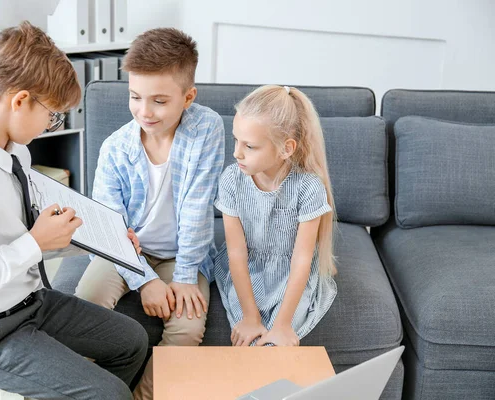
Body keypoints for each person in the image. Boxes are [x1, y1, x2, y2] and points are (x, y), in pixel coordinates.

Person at [0, 21, 147, 399]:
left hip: (30, 303)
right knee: (108, 394)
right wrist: (34, 245)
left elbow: (30, 231)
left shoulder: (14, 152)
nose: (50, 125)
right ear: (20, 100)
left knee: (131, 340)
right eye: (52, 115)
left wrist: (101, 240)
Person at [74, 27, 225, 399]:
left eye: (159, 101)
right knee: (87, 301)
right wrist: (144, 280)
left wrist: (186, 276)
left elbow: (196, 208)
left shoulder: (207, 129)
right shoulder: (115, 149)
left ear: (188, 97)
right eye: (135, 97)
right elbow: (109, 227)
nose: (145, 111)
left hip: (182, 255)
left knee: (188, 328)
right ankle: (91, 392)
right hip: (126, 250)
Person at [214, 85, 337, 348]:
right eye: (235, 140)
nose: (237, 153)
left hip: (290, 273)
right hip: (248, 268)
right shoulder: (230, 180)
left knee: (273, 345)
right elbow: (237, 253)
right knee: (252, 339)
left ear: (286, 149)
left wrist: (282, 325)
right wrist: (249, 316)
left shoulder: (308, 188)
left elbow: (302, 258)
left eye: (250, 146)